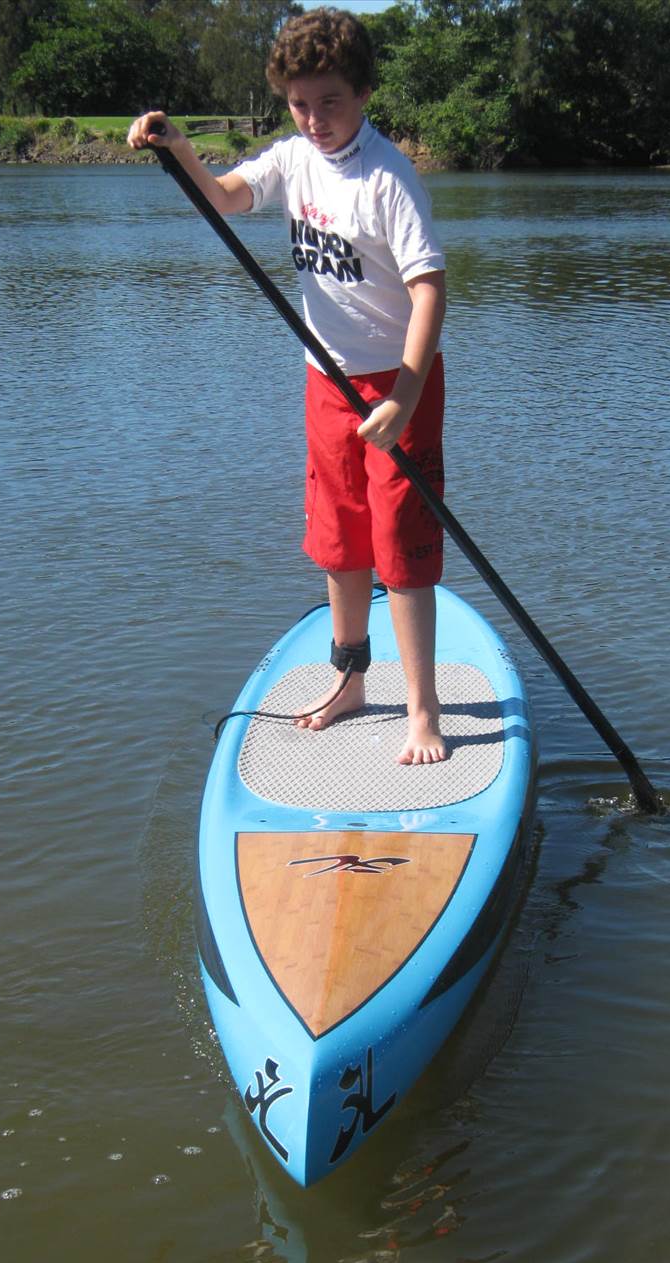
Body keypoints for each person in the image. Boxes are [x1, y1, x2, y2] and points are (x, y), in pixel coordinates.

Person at [128, 6, 448, 764]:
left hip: (398, 383)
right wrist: (179, 149)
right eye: (299, 104)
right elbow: (227, 197)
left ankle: (423, 711)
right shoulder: (294, 158)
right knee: (339, 538)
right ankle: (351, 682)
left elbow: (431, 289)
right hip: (327, 380)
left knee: (400, 545)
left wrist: (403, 395)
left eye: (330, 101)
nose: (314, 119)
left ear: (363, 92)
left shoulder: (389, 177)